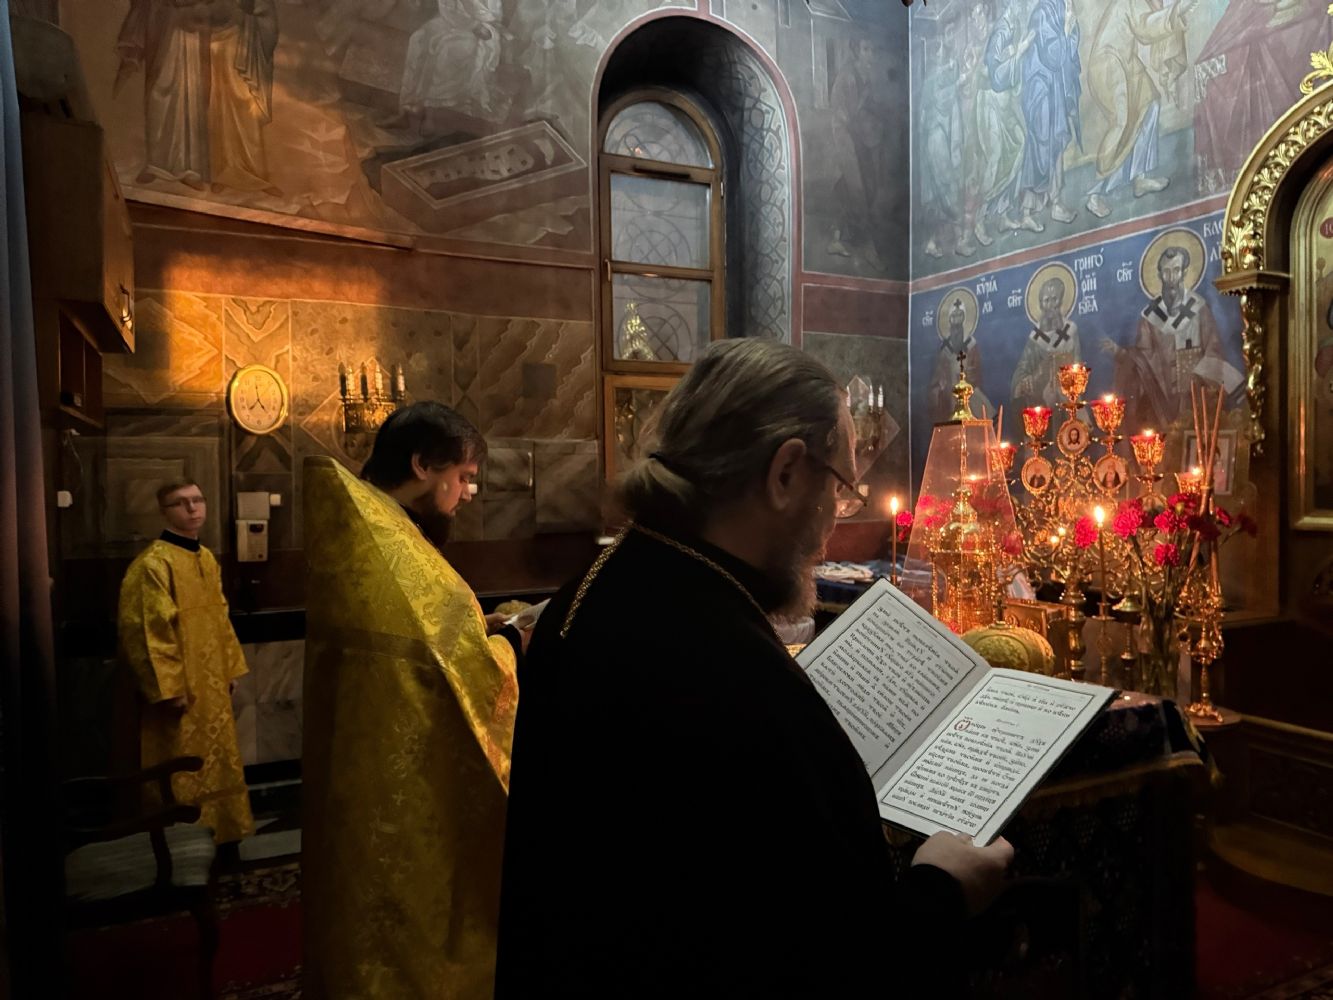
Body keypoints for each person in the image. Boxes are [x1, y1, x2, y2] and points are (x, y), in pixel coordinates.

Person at [497, 340, 1012, 996]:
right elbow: (823, 952)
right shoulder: (731, 672)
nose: (834, 521)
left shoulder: (603, 584)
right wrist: (941, 886)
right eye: (840, 486)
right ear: (786, 473)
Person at [302, 402, 526, 1000]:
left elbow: (431, 638)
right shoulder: (388, 545)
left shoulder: (374, 528)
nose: (469, 492)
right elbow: (462, 667)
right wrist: (513, 645)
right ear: (424, 464)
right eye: (464, 476)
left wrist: (484, 627)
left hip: (367, 772)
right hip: (401, 791)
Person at [117, 480, 253, 844]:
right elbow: (147, 631)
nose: (192, 508)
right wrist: (169, 688)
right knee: (180, 762)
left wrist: (229, 667)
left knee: (217, 760)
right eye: (181, 503)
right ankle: (181, 841)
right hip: (181, 691)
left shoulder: (205, 557)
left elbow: (220, 617)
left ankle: (223, 832)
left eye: (197, 500)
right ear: (165, 513)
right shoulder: (153, 564)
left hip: (212, 686)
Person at [1105, 245, 1241, 430]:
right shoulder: (1150, 317)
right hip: (1161, 405)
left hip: (1195, 401)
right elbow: (1143, 361)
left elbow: (1214, 351)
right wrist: (1121, 354)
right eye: (1166, 271)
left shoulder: (1199, 309)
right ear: (1159, 275)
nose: (1171, 278)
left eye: (1176, 270)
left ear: (1184, 272)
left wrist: (1196, 377)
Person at [1012, 275, 1081, 411]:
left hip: (1067, 395)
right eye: (1046, 300)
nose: (1051, 305)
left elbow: (1078, 364)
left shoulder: (1070, 330)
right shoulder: (1035, 337)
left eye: (1054, 299)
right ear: (1041, 304)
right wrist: (1025, 382)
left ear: (1061, 301)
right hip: (1040, 402)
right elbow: (1022, 369)